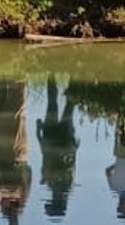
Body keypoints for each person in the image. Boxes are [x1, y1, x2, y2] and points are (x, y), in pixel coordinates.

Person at [0, 78, 32, 221]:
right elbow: (13, 188)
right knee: (15, 112)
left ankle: (2, 76)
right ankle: (20, 76)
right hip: (16, 154)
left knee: (0, 108)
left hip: (2, 152)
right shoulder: (21, 194)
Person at [34, 75, 79, 218]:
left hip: (66, 141)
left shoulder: (68, 186)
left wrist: (75, 146)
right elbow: (45, 156)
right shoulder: (51, 183)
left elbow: (70, 163)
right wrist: (39, 133)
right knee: (52, 103)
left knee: (69, 106)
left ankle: (74, 76)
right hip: (51, 139)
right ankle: (51, 73)